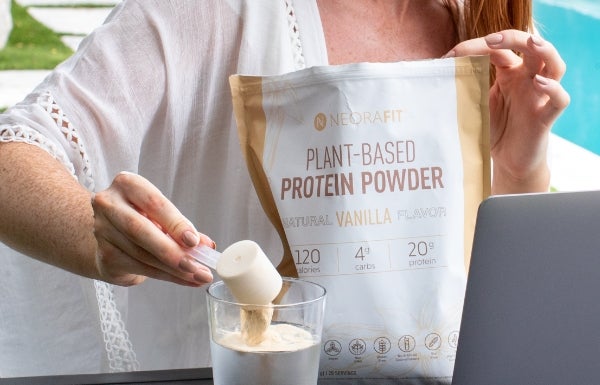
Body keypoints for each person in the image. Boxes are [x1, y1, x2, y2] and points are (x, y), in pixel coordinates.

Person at [0, 0, 568, 378]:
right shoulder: (213, 13)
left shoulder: (488, 32)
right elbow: (14, 151)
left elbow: (507, 309)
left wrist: (519, 167)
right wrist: (95, 235)